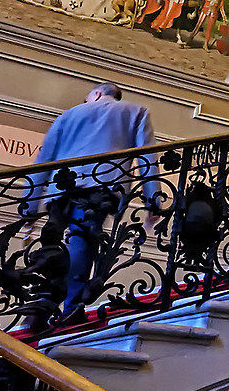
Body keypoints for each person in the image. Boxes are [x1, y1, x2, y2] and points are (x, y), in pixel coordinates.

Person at [22, 83, 162, 324]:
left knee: (52, 243)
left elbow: (44, 159)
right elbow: (146, 158)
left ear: (96, 94)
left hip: (61, 187)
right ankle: (71, 309)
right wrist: (153, 200)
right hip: (102, 188)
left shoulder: (69, 114)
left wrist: (29, 207)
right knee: (83, 242)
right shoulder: (137, 112)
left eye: (88, 97)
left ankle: (42, 308)